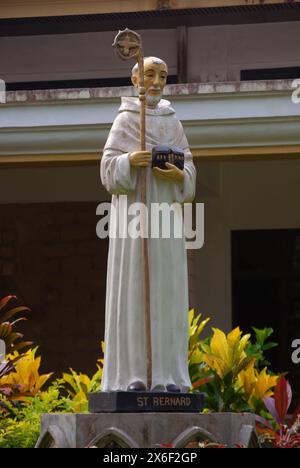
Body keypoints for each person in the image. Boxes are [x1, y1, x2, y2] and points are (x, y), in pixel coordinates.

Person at [100, 56, 196, 393]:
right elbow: (108, 169)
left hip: (166, 220)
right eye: (150, 75)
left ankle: (167, 376)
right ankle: (133, 375)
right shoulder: (126, 118)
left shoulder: (172, 121)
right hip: (134, 220)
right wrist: (130, 160)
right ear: (136, 79)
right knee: (135, 291)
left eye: (163, 76)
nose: (156, 82)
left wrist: (179, 173)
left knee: (166, 291)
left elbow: (190, 166)